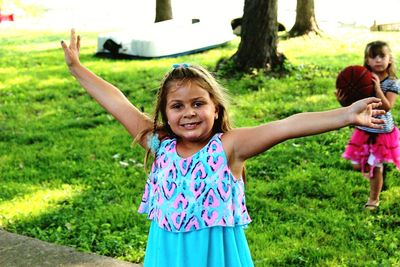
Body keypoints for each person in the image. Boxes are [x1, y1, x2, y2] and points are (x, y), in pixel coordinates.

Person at [61, 29, 385, 266]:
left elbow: (287, 126)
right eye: (177, 106)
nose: (188, 112)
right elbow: (117, 102)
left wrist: (345, 114)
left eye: (198, 103)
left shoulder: (228, 147)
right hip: (167, 255)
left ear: (215, 108)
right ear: (165, 113)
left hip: (215, 257)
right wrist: (77, 68)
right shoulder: (159, 143)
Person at [342, 40, 400, 210]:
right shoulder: (362, 78)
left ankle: (373, 199)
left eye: (382, 56)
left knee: (375, 167)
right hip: (363, 130)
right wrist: (343, 97)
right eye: (373, 57)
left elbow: (386, 107)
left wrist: (377, 89)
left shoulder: (392, 83)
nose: (378, 60)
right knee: (357, 163)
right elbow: (353, 104)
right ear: (367, 60)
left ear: (389, 59)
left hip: (381, 131)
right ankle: (378, 171)